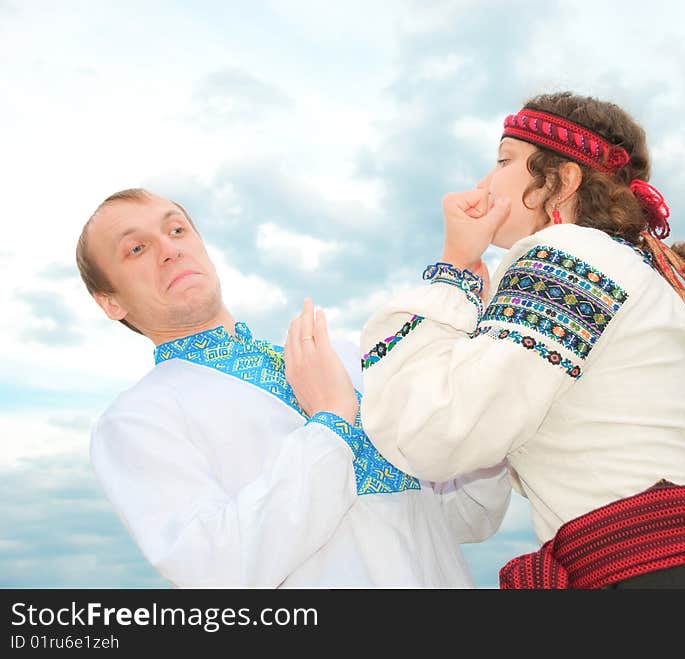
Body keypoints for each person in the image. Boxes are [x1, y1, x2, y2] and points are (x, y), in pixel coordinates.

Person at [346, 91, 685, 588]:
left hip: (639, 579)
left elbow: (436, 431)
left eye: (503, 161)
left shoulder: (567, 254)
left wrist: (453, 270)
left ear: (563, 180)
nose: (484, 182)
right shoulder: (647, 274)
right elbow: (480, 462)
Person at [76, 187, 511, 588]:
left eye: (176, 230)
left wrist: (475, 369)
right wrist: (331, 425)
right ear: (110, 302)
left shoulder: (341, 356)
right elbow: (216, 569)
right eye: (136, 249)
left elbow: (465, 515)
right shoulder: (136, 419)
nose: (169, 250)